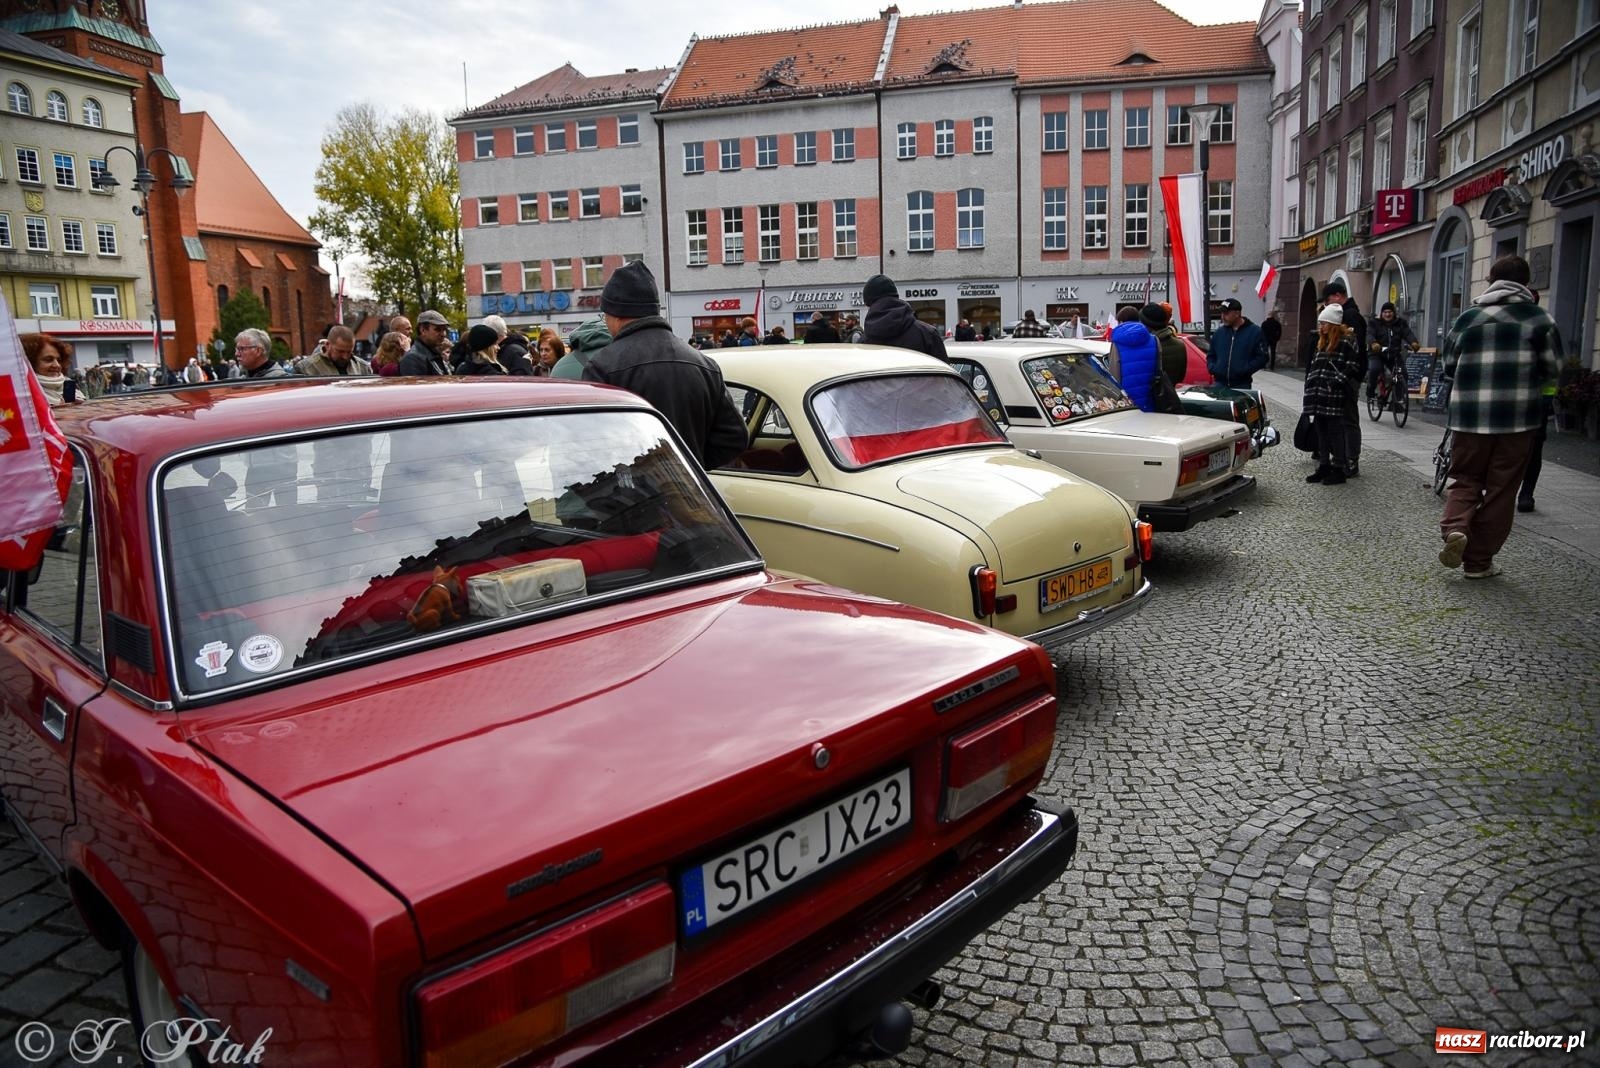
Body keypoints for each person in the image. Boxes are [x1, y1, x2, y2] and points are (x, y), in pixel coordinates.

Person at [1436, 254, 1562, 579]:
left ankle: (1454, 529)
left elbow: (1448, 365)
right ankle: (1479, 563)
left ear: (1490, 280)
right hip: (1518, 421)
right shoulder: (1539, 320)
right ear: (1526, 283)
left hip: (1467, 418)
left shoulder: (1467, 319)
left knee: (1465, 479)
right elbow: (1553, 372)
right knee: (1502, 489)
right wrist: (1542, 401)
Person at [580, 261, 747, 468]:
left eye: (605, 316)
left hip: (629, 496)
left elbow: (590, 444)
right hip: (691, 497)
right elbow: (735, 436)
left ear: (615, 314)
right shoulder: (704, 364)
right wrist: (692, 469)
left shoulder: (602, 366)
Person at [1302, 305, 1362, 485]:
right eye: (1320, 323)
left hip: (1333, 394)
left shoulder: (1345, 341)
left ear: (1333, 324)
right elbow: (1314, 365)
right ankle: (1324, 465)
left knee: (1335, 431)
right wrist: (1310, 385)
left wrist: (1334, 383)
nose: (1321, 327)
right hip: (1318, 393)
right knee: (1321, 431)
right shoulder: (1322, 341)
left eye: (1324, 323)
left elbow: (1352, 366)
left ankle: (1339, 468)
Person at [861, 274, 948, 360]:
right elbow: (943, 372)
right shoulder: (927, 334)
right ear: (896, 297)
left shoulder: (863, 342)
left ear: (869, 304)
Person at [1207, 299, 1270, 387]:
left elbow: (1262, 357)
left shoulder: (1255, 332)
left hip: (1242, 384)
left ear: (1237, 314)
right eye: (1221, 313)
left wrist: (1245, 370)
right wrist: (1213, 368)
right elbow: (1211, 355)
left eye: (1226, 313)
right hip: (1220, 384)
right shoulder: (1219, 333)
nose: (1222, 317)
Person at [1366, 302, 1420, 400]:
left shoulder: (1400, 323)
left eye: (1390, 312)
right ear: (1381, 313)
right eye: (1385, 312)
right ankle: (1370, 390)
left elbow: (1408, 333)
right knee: (1374, 369)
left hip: (1393, 354)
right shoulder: (1374, 322)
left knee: (1402, 374)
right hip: (1377, 353)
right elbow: (1370, 334)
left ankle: (1397, 401)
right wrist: (1373, 343)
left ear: (1394, 313)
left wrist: (1413, 342)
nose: (1387, 314)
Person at [1109, 309, 1160, 411]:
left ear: (1121, 322)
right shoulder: (1154, 340)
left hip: (1127, 401)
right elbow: (1159, 369)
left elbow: (1114, 373)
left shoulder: (1117, 342)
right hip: (1150, 395)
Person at [20, 333, 79, 406]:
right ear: (29, 362)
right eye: (48, 360)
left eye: (59, 360)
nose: (57, 365)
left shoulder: (71, 388)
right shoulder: (22, 395)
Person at [294, 325, 373, 377]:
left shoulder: (363, 368)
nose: (345, 357)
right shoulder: (306, 368)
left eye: (349, 352)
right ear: (328, 345)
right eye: (340, 351)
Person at [398, 310, 452, 376]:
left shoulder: (433, 354)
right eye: (437, 329)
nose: (443, 334)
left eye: (444, 330)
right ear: (423, 330)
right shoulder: (413, 359)